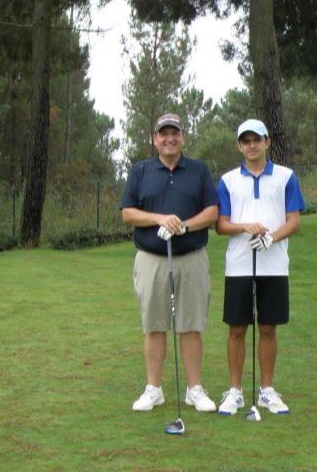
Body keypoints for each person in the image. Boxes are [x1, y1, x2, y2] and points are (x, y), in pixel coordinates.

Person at [121, 113, 219, 413]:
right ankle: (154, 389)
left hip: (191, 258)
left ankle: (194, 389)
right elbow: (128, 213)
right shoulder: (141, 171)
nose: (169, 138)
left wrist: (184, 225)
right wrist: (160, 219)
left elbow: (212, 212)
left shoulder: (199, 170)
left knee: (191, 324)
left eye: (174, 133)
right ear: (155, 139)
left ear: (182, 137)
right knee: (154, 325)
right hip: (151, 258)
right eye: (163, 134)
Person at [215, 119, 305, 415]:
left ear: (267, 142)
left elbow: (294, 221)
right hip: (239, 265)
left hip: (275, 264)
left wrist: (271, 237)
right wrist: (245, 227)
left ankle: (267, 390)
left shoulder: (286, 176)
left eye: (257, 139)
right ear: (240, 146)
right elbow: (221, 225)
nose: (252, 145)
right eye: (246, 140)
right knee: (237, 327)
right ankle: (235, 391)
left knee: (268, 327)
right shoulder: (228, 181)